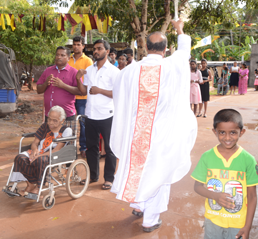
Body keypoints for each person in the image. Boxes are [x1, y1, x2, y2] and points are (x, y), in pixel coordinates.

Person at [110, 20, 197, 233]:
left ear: (146, 47)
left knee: (138, 168)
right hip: (161, 134)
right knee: (159, 173)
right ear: (166, 49)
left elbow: (119, 97)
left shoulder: (129, 71)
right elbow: (184, 51)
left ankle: (138, 205)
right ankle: (150, 219)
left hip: (136, 134)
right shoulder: (172, 65)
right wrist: (180, 30)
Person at [191, 109, 258, 239]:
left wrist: (247, 226)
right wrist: (215, 196)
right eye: (222, 132)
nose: (227, 137)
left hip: (238, 223)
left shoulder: (248, 160)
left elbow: (252, 196)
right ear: (215, 132)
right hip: (212, 221)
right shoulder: (207, 157)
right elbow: (197, 187)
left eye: (233, 133)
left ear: (242, 132)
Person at [76, 39, 120, 190]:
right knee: (91, 148)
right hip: (90, 115)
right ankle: (93, 176)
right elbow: (83, 91)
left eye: (99, 49)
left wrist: (100, 90)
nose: (96, 51)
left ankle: (109, 179)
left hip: (107, 115)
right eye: (94, 49)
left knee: (110, 148)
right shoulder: (89, 69)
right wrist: (78, 79)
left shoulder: (115, 71)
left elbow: (118, 93)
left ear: (107, 52)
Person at [11, 106, 72, 196]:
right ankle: (30, 184)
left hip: (54, 155)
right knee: (19, 158)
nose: (51, 122)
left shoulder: (66, 130)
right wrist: (35, 151)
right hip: (39, 152)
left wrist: (38, 156)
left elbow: (57, 149)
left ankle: (38, 187)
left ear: (62, 120)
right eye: (49, 119)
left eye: (55, 120)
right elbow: (35, 143)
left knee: (40, 160)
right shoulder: (45, 126)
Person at [37, 46, 81, 122]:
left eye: (62, 55)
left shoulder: (74, 72)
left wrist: (63, 85)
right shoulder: (48, 71)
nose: (58, 57)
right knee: (50, 134)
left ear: (68, 58)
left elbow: (80, 91)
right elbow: (38, 90)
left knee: (67, 134)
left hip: (67, 115)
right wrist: (45, 83)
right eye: (57, 55)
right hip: (50, 115)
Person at [68, 37, 93, 158]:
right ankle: (68, 148)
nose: (76, 46)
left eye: (78, 44)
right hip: (69, 96)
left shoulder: (88, 61)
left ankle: (83, 147)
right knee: (69, 123)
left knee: (83, 123)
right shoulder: (68, 59)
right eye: (74, 44)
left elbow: (90, 79)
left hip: (83, 98)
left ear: (83, 46)